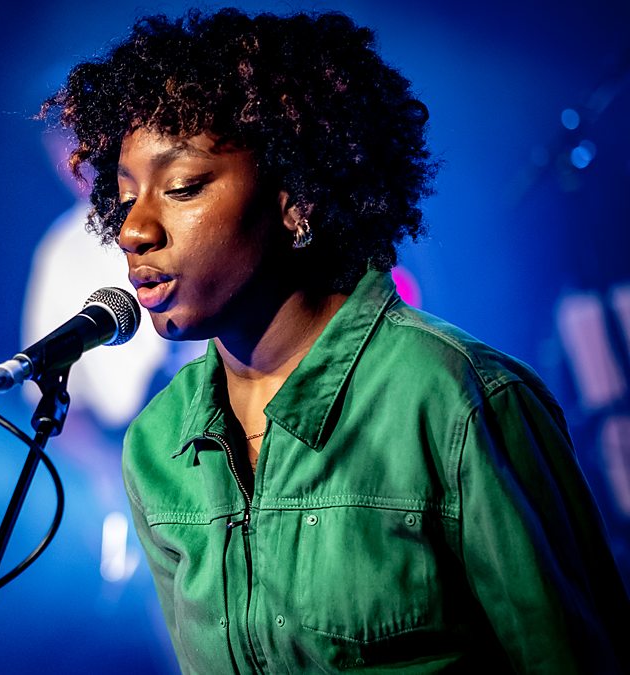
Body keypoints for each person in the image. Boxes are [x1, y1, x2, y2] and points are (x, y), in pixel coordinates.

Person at [38, 7, 630, 673]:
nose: (132, 230)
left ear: (297, 199)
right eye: (123, 201)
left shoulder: (456, 402)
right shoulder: (157, 448)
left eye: (181, 187)